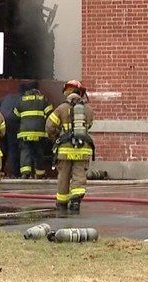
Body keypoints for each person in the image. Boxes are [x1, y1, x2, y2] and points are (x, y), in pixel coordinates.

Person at [46, 80, 95, 213]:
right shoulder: (88, 109)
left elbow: (49, 126)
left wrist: (56, 137)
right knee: (79, 175)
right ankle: (75, 200)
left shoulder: (61, 108)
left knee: (63, 176)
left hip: (64, 149)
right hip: (83, 148)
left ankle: (62, 203)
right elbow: (89, 125)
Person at [13, 81, 53, 179]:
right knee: (38, 152)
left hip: (24, 132)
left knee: (25, 151)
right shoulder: (43, 99)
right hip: (39, 132)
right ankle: (39, 173)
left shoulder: (21, 100)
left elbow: (15, 115)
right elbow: (50, 114)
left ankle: (25, 172)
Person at [0, 89, 22, 177]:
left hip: (2, 121)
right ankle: (15, 172)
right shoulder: (23, 99)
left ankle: (0, 169)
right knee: (13, 147)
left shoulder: (8, 97)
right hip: (14, 124)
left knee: (3, 147)